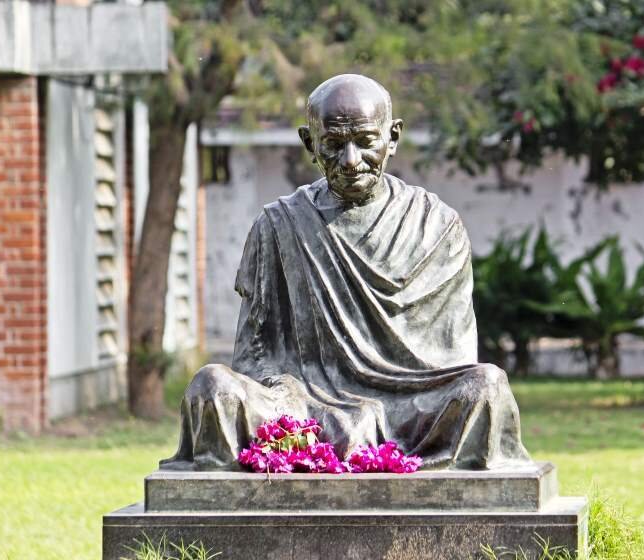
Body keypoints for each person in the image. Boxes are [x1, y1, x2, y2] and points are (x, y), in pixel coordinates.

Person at [161, 74, 530, 471]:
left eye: (366, 141)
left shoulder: (435, 226)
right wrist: (295, 397)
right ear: (309, 143)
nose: (351, 161)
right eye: (334, 145)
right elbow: (254, 354)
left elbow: (453, 357)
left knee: (486, 388)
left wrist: (372, 411)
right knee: (212, 388)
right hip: (304, 406)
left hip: (412, 410)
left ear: (392, 136)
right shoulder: (279, 225)